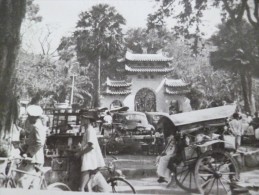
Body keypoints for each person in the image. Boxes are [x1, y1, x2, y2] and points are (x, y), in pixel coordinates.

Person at [75, 112, 109, 192]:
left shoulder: (90, 130)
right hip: (88, 156)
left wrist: (79, 153)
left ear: (87, 120)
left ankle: (82, 189)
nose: (81, 120)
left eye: (83, 118)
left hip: (89, 157)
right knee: (88, 182)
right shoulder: (87, 130)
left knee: (82, 186)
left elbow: (91, 146)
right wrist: (80, 147)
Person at [16, 105, 47, 188]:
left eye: (29, 117)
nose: (28, 119)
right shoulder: (37, 125)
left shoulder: (37, 126)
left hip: (34, 160)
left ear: (34, 117)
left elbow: (40, 142)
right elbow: (33, 142)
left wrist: (30, 154)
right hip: (34, 159)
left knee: (22, 182)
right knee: (32, 185)